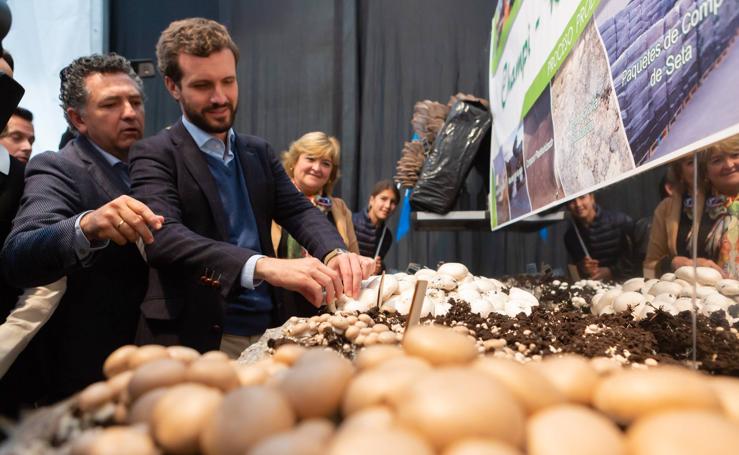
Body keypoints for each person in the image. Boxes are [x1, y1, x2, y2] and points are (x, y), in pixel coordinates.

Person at [129, 18, 373, 358]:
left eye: (228, 81)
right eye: (202, 85)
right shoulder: (154, 154)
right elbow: (164, 238)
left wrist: (335, 252)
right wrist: (264, 266)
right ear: (172, 86)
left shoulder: (256, 151)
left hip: (268, 330)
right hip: (192, 335)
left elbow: (299, 210)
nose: (220, 97)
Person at [0, 53, 163, 403]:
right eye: (111, 104)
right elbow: (21, 250)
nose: (130, 113)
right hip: (90, 376)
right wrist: (85, 226)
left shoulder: (159, 166)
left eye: (135, 101)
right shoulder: (58, 169)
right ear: (77, 118)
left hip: (161, 364)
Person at [645, 136, 739, 278]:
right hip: (698, 295)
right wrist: (678, 264)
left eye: (735, 155)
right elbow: (648, 270)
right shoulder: (673, 208)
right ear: (705, 170)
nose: (728, 164)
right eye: (717, 160)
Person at [564, 192, 635, 280]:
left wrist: (612, 272)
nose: (578, 204)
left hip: (625, 285)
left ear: (592, 198)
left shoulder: (620, 221)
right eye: (571, 201)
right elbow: (575, 271)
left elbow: (635, 257)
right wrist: (583, 268)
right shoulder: (570, 236)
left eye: (582, 197)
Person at [353, 180, 400, 274]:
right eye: (383, 199)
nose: (387, 205)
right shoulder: (351, 222)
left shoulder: (386, 236)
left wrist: (379, 268)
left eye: (393, 202)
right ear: (371, 200)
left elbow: (378, 268)